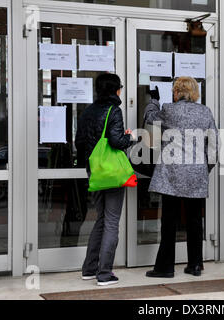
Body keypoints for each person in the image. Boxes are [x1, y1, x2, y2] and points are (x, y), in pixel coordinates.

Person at [144, 77, 218, 278]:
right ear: (195, 93)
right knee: (194, 220)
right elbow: (213, 145)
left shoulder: (169, 109)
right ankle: (195, 265)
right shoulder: (205, 112)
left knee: (169, 221)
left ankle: (165, 268)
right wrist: (205, 168)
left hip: (172, 173)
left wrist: (154, 101)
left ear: (176, 92)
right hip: (196, 173)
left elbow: (149, 118)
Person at [76, 73, 134, 286]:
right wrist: (131, 137)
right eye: (120, 86)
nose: (121, 90)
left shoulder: (88, 111)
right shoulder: (114, 110)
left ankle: (89, 268)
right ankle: (105, 273)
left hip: (95, 171)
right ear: (115, 90)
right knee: (111, 221)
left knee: (101, 219)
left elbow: (79, 143)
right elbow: (118, 141)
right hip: (112, 173)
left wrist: (91, 165)